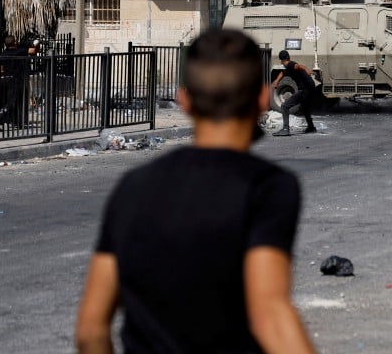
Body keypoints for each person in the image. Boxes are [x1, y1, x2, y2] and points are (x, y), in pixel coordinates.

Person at [75, 29, 315, 354]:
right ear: (261, 100)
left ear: (184, 100)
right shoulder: (268, 188)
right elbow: (269, 314)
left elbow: (91, 330)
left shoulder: (132, 187)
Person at [271, 50, 317, 137]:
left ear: (281, 60)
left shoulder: (290, 65)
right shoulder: (289, 67)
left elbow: (299, 66)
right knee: (304, 107)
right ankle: (311, 127)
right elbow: (283, 73)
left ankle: (285, 130)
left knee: (284, 106)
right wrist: (277, 81)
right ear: (289, 57)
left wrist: (307, 69)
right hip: (310, 88)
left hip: (305, 89)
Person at [0, 35, 28, 128]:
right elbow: (33, 51)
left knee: (6, 100)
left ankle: (13, 120)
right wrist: (36, 43)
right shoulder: (18, 52)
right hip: (14, 80)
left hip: (3, 79)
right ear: (14, 43)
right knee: (12, 101)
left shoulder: (3, 54)